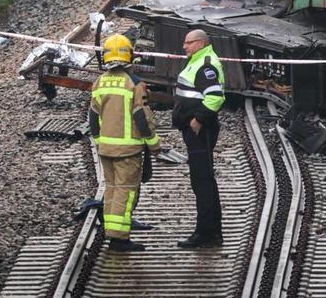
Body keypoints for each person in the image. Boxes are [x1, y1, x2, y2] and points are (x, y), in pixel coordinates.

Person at [89, 33, 161, 253]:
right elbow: (142, 117)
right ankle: (120, 239)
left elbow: (93, 117)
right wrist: (154, 144)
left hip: (106, 149)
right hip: (127, 150)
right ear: (130, 55)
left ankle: (112, 232)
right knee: (126, 192)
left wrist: (100, 142)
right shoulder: (135, 84)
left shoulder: (100, 82)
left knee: (111, 189)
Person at [173, 28, 225, 248]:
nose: (184, 46)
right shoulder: (197, 60)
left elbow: (215, 97)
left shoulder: (205, 65)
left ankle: (206, 234)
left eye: (188, 42)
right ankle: (211, 231)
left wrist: (198, 120)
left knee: (202, 181)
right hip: (196, 130)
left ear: (201, 43)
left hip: (200, 131)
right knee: (203, 181)